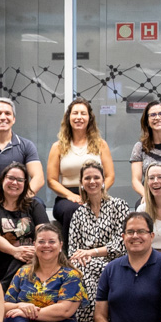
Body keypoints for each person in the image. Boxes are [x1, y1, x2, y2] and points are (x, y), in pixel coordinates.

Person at [3, 223, 87, 322]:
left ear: (60, 245)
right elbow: (3, 306)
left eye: (51, 241)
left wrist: (28, 313)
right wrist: (20, 306)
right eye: (41, 241)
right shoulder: (23, 272)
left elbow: (65, 310)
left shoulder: (71, 275)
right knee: (12, 318)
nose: (46, 245)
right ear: (34, 245)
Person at [67, 160, 130, 322]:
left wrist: (91, 253)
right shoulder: (79, 214)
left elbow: (122, 244)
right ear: (81, 183)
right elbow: (73, 250)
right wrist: (83, 257)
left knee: (83, 273)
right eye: (87, 178)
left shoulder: (118, 205)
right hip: (86, 266)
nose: (92, 181)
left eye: (96, 177)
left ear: (103, 181)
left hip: (115, 263)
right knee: (80, 271)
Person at [46, 98, 115, 242]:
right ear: (68, 117)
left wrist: (96, 193)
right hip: (67, 197)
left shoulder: (101, 145)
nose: (79, 117)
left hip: (97, 193)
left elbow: (110, 176)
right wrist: (72, 196)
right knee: (73, 210)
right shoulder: (57, 147)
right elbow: (51, 180)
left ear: (89, 118)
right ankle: (72, 253)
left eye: (83, 113)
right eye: (75, 113)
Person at [0, 162, 50, 286]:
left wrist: (35, 251)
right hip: (4, 260)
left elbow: (44, 231)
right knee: (19, 263)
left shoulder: (34, 205)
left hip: (34, 257)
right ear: (2, 180)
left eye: (20, 180)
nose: (15, 183)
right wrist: (15, 251)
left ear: (25, 184)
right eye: (11, 178)